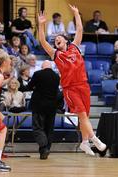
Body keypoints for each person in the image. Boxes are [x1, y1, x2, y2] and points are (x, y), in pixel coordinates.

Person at [38, 4, 106, 156]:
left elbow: (80, 30)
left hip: (84, 86)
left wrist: (76, 14)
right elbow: (43, 41)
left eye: (60, 38)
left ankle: (84, 142)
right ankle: (95, 139)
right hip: (70, 88)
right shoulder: (56, 54)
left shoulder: (74, 47)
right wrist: (41, 25)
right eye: (55, 40)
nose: (57, 40)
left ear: (66, 41)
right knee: (81, 115)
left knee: (85, 117)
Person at [26, 60, 59, 159]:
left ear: (43, 66)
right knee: (49, 129)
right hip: (52, 106)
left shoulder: (38, 74)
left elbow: (30, 86)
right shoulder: (56, 76)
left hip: (39, 105)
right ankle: (46, 149)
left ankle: (43, 146)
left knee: (38, 127)